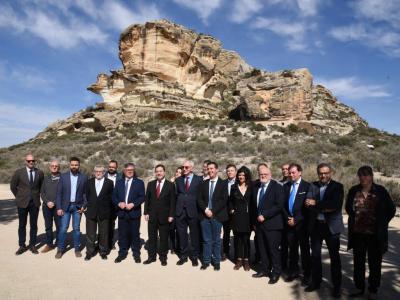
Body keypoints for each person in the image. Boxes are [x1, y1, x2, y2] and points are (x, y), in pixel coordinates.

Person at [345, 166, 396, 299]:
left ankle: (373, 289)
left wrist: (382, 223)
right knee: (358, 263)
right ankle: (359, 287)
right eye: (361, 175)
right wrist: (355, 219)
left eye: (366, 175)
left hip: (375, 235)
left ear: (372, 176)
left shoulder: (380, 191)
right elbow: (348, 208)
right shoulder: (354, 190)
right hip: (358, 234)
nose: (363, 178)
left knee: (375, 264)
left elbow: (391, 209)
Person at [304, 163, 344, 298]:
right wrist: (321, 206)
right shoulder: (313, 185)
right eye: (321, 173)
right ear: (317, 173)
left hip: (331, 227)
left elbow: (335, 206)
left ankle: (337, 287)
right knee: (315, 256)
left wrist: (316, 204)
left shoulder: (338, 187)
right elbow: (307, 204)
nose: (323, 175)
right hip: (316, 226)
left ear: (331, 173)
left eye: (326, 173)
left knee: (335, 258)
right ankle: (316, 282)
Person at [251, 164, 284, 284]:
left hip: (273, 225)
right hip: (259, 225)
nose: (263, 176)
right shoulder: (256, 187)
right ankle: (264, 269)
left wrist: (265, 215)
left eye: (265, 174)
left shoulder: (277, 187)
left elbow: (279, 206)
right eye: (261, 175)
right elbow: (254, 206)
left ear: (270, 175)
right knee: (262, 249)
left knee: (273, 250)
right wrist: (254, 222)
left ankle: (275, 273)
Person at [282, 163, 312, 285]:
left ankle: (307, 274)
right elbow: (282, 205)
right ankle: (293, 271)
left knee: (304, 250)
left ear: (300, 172)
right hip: (289, 223)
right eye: (290, 173)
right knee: (292, 250)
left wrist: (297, 219)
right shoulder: (286, 186)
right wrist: (288, 218)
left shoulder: (307, 186)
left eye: (293, 172)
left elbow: (307, 208)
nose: (291, 174)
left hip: (302, 224)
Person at [10, 154, 44, 255]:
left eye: (33, 161)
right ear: (26, 161)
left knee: (33, 225)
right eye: (29, 161)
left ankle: (32, 245)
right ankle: (22, 245)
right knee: (22, 225)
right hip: (22, 202)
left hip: (35, 203)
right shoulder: (19, 172)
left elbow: (42, 187)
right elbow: (13, 186)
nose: (31, 162)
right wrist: (19, 196)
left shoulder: (40, 173)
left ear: (35, 161)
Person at [197, 161, 228, 271]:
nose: (210, 171)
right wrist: (205, 210)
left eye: (212, 169)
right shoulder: (204, 183)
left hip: (217, 217)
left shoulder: (223, 184)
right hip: (204, 217)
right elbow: (199, 199)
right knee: (206, 240)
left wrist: (212, 211)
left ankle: (216, 261)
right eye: (208, 169)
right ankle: (206, 261)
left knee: (216, 240)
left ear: (216, 169)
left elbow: (223, 200)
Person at [143, 164, 176, 266]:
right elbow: (147, 200)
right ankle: (151, 257)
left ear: (164, 172)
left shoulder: (170, 185)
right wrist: (146, 212)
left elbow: (172, 202)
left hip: (164, 217)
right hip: (152, 216)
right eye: (157, 171)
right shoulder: (151, 184)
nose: (159, 173)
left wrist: (171, 215)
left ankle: (163, 257)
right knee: (152, 238)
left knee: (163, 238)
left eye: (161, 171)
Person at [55, 157, 88, 259]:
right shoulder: (63, 177)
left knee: (76, 228)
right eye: (72, 165)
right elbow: (59, 193)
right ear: (70, 165)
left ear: (79, 165)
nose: (74, 166)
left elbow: (86, 194)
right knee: (63, 229)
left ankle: (77, 249)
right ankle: (60, 249)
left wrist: (84, 205)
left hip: (77, 207)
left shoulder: (84, 177)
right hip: (65, 207)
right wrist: (59, 207)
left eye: (76, 165)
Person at [113, 162, 145, 263]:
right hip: (122, 212)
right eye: (128, 170)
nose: (130, 171)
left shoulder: (139, 182)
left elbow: (142, 197)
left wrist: (133, 204)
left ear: (134, 171)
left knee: (135, 234)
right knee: (122, 234)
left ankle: (136, 254)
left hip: (134, 212)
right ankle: (122, 253)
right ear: (124, 171)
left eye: (131, 170)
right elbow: (113, 196)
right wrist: (118, 203)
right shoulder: (119, 182)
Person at [175, 160, 203, 267]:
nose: (184, 169)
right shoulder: (178, 180)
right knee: (182, 235)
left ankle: (194, 257)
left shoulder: (199, 179)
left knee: (194, 235)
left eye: (186, 167)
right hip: (180, 212)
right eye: (183, 167)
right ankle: (183, 256)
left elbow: (201, 196)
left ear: (191, 168)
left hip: (193, 212)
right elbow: (177, 195)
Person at [84, 165, 114, 261]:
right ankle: (89, 252)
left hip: (104, 212)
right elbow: (87, 195)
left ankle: (103, 252)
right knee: (90, 234)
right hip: (91, 212)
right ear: (94, 172)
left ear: (104, 172)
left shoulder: (109, 183)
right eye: (96, 171)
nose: (98, 173)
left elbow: (111, 197)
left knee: (103, 233)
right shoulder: (89, 182)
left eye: (100, 171)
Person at [229, 166, 252, 271]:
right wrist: (232, 209)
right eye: (239, 175)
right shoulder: (233, 187)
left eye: (243, 175)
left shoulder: (251, 186)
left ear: (246, 175)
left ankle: (246, 260)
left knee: (246, 240)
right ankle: (238, 260)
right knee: (237, 240)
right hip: (237, 217)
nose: (241, 176)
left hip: (248, 217)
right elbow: (230, 201)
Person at [40, 159, 61, 253]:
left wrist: (55, 202)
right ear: (49, 167)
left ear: (59, 167)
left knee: (59, 226)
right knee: (48, 226)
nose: (54, 167)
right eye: (52, 166)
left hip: (58, 206)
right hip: (46, 206)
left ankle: (60, 244)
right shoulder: (46, 178)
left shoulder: (63, 178)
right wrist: (47, 202)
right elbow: (42, 193)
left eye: (56, 166)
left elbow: (64, 193)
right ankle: (49, 244)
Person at [105, 160, 122, 251]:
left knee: (112, 223)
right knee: (104, 224)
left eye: (113, 167)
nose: (111, 168)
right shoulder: (103, 176)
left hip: (116, 204)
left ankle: (111, 242)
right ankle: (103, 242)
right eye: (110, 167)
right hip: (104, 205)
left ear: (116, 168)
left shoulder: (120, 177)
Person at [222, 164, 236, 261]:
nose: (229, 172)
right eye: (228, 171)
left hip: (236, 213)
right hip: (225, 213)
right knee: (226, 234)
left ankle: (237, 254)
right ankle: (225, 253)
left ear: (235, 171)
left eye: (231, 170)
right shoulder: (222, 183)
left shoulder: (240, 182)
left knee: (236, 234)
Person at [169, 166, 183, 254]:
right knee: (171, 229)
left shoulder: (183, 184)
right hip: (171, 210)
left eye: (180, 172)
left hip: (180, 210)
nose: (177, 173)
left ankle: (179, 246)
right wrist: (171, 183)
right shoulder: (172, 183)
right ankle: (173, 247)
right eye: (177, 171)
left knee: (179, 230)